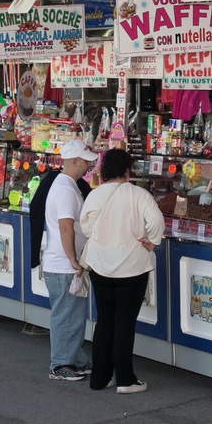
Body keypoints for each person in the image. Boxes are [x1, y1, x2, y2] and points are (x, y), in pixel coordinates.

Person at [80, 149, 164, 394]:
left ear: (104, 170)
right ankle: (125, 379)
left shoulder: (95, 196)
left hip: (100, 266)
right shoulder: (139, 194)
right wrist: (153, 240)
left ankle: (99, 378)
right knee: (125, 323)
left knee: (104, 320)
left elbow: (85, 227)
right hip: (133, 267)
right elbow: (156, 221)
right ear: (128, 169)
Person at [39, 138, 97, 381]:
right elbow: (66, 227)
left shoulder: (66, 185)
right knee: (66, 316)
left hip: (64, 263)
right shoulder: (65, 188)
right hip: (64, 264)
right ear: (74, 161)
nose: (89, 167)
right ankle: (61, 364)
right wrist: (73, 259)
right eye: (86, 162)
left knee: (72, 316)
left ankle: (74, 360)